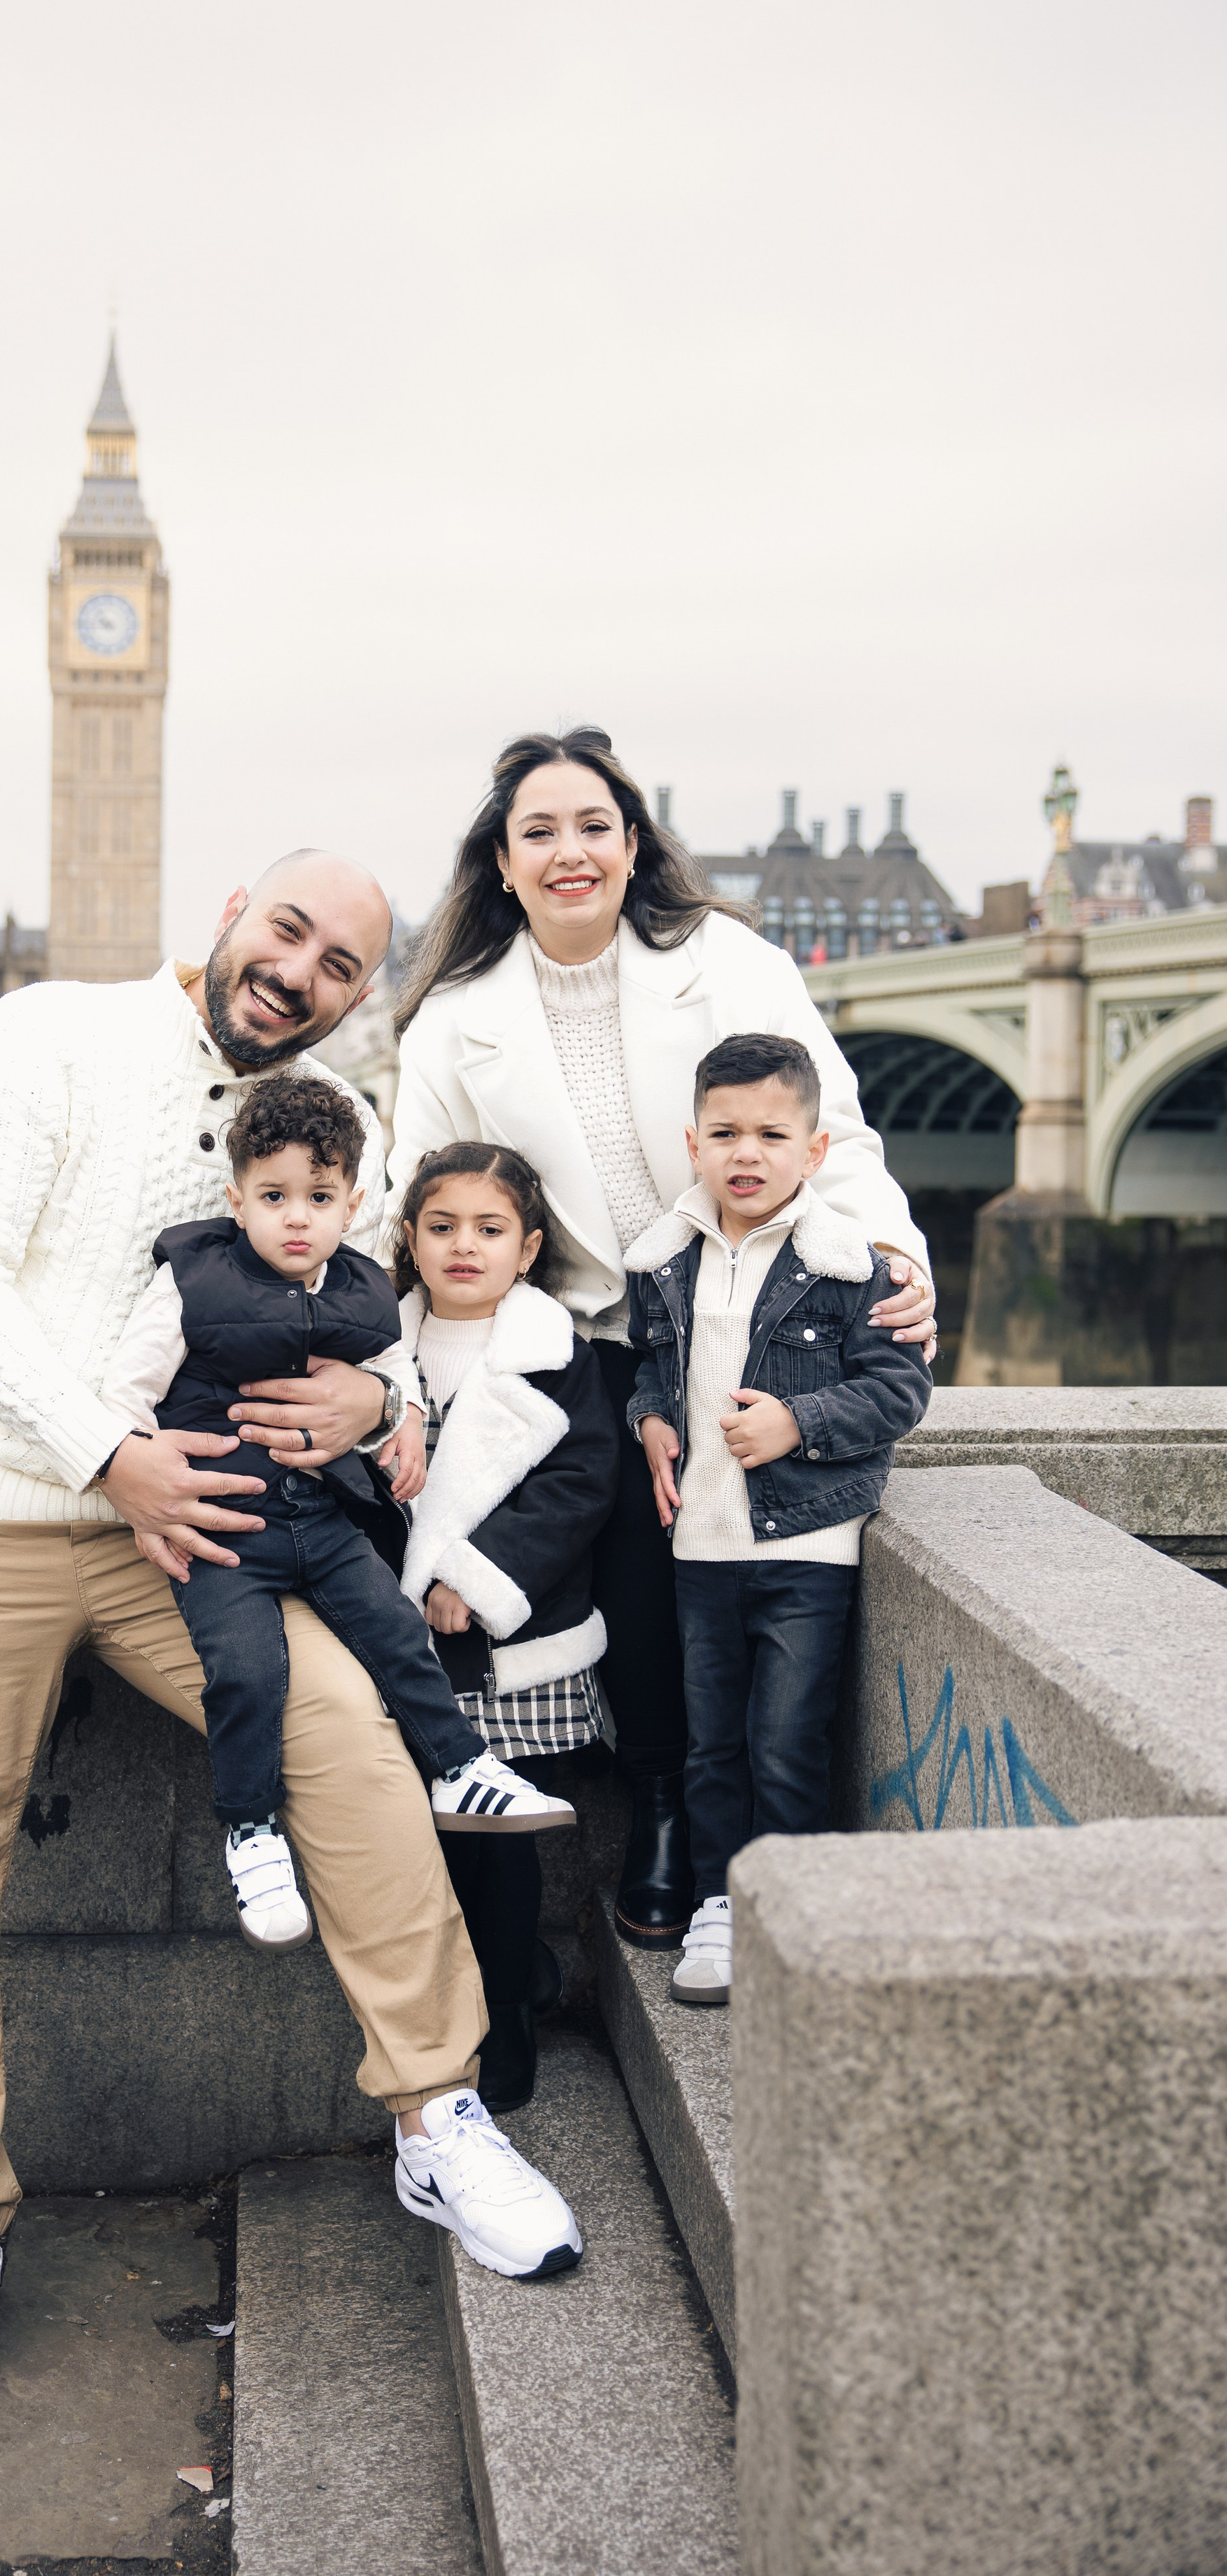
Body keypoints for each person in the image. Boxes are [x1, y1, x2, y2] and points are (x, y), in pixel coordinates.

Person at [0, 851, 585, 2415]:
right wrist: (102, 1451)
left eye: (341, 966)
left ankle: (437, 2116)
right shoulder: (49, 1033)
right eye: (288, 931)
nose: (300, 972)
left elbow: (380, 1303)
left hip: (187, 1535)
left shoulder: (333, 1124)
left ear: (358, 997)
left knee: (352, 1741)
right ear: (233, 910)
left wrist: (372, 1397)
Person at [390, 727, 937, 1950]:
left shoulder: (730, 963)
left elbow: (835, 1134)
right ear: (503, 861)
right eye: (539, 831)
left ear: (634, 845)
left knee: (709, 1570)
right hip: (580, 1333)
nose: (570, 852)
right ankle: (665, 1800)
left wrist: (894, 1262)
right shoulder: (451, 1023)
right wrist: (382, 1379)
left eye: (595, 826)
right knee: (639, 1566)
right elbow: (406, 1205)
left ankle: (693, 1814)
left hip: (746, 1317)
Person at [99, 1071, 574, 1952]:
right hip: (224, 1529)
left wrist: (405, 1419)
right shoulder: (192, 1278)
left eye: (318, 1198)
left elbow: (392, 1370)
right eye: (273, 1196)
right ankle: (251, 1829)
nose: (296, 1218)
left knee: (397, 1633)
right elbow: (126, 1389)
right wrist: (141, 1482)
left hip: (323, 1522)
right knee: (246, 1671)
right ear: (236, 1199)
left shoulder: (360, 1286)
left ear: (353, 1204)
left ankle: (462, 1767)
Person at [623, 1032, 935, 2003]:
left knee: (786, 1742)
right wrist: (650, 1420)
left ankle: (784, 1913)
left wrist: (799, 1420)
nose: (746, 1153)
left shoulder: (851, 1266)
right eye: (724, 1133)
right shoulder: (663, 1260)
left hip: (805, 1547)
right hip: (700, 1546)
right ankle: (718, 1904)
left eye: (771, 1134)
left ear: (815, 1149)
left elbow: (899, 1391)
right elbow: (651, 1368)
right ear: (693, 1144)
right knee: (711, 1744)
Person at [383, 1141, 618, 2113]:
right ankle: (456, 2010)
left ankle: (510, 2012)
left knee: (497, 1835)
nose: (464, 1246)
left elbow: (579, 1484)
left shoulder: (555, 1355)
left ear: (526, 1250)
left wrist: (474, 1579)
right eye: (442, 1227)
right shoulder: (376, 1349)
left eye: (489, 1229)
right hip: (397, 1633)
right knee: (419, 1841)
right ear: (410, 1238)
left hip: (503, 1643)